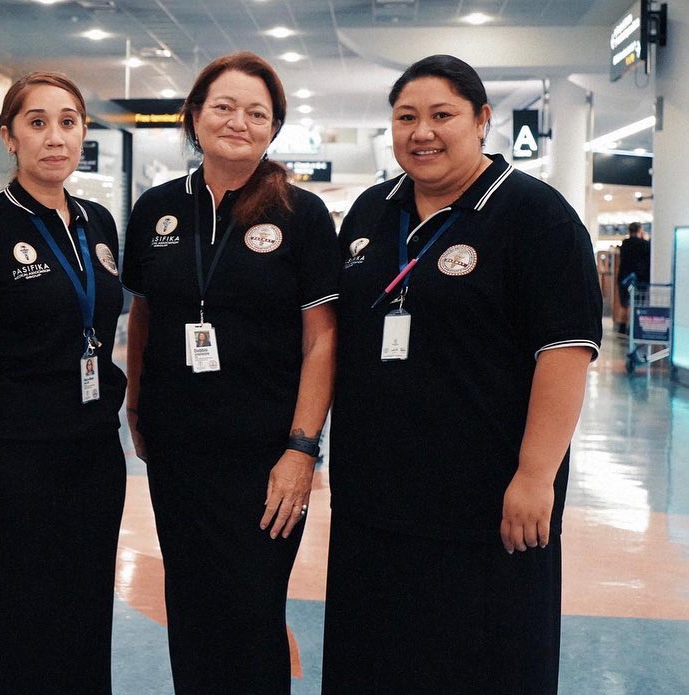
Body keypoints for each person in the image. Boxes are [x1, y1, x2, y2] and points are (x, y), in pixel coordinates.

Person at [322, 54, 602, 694]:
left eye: (441, 115)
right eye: (406, 117)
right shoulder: (371, 212)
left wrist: (535, 476)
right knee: (376, 663)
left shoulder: (535, 217)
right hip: (376, 501)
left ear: (482, 120)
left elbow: (563, 352)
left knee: (482, 667)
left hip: (486, 505)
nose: (422, 132)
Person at [122, 52, 339, 694]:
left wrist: (302, 449)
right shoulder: (157, 209)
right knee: (188, 609)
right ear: (194, 116)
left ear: (273, 128)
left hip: (266, 457)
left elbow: (322, 342)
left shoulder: (301, 215)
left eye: (256, 112)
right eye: (223, 106)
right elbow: (144, 313)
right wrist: (136, 407)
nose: (238, 122)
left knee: (251, 612)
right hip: (179, 449)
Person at [0, 72, 127, 694]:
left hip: (91, 452)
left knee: (80, 611)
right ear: (8, 138)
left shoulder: (97, 224)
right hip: (2, 458)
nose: (54, 137)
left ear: (82, 134)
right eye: (37, 122)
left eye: (68, 121)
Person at [617, 221, 651, 334]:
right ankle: (635, 329)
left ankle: (622, 327)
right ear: (639, 230)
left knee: (624, 304)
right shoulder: (645, 244)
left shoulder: (625, 244)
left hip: (624, 278)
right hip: (639, 279)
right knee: (638, 304)